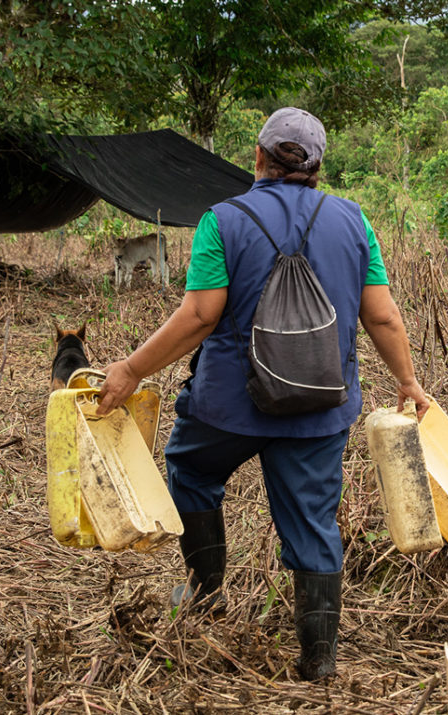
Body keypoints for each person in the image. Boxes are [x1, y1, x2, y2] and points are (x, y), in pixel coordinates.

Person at [96, 107, 430, 680]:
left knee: (191, 469)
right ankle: (319, 661)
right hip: (320, 407)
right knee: (314, 522)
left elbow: (200, 316)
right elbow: (383, 317)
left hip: (228, 407)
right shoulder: (354, 222)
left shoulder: (221, 221)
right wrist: (407, 380)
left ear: (258, 157)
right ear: (319, 167)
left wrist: (130, 369)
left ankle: (204, 591)